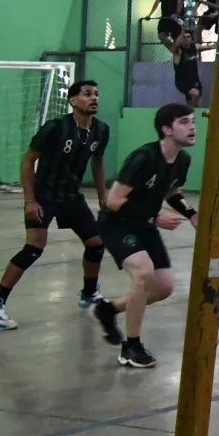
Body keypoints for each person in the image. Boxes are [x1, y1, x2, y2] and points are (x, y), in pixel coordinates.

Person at [0, 79, 111, 331]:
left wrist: (102, 196)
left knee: (96, 244)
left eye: (96, 93)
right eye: (87, 94)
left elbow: (97, 162)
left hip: (71, 197)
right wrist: (30, 200)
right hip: (44, 196)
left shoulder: (101, 130)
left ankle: (89, 293)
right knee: (33, 248)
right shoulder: (55, 127)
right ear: (73, 100)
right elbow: (27, 161)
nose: (94, 98)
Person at [90, 104, 198, 370]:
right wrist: (156, 217)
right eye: (184, 122)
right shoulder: (143, 158)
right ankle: (131, 347)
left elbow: (172, 192)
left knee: (163, 287)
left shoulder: (182, 160)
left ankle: (109, 309)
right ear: (167, 129)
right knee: (143, 272)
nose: (193, 127)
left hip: (145, 224)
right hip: (117, 224)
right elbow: (113, 200)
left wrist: (193, 215)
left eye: (193, 121)